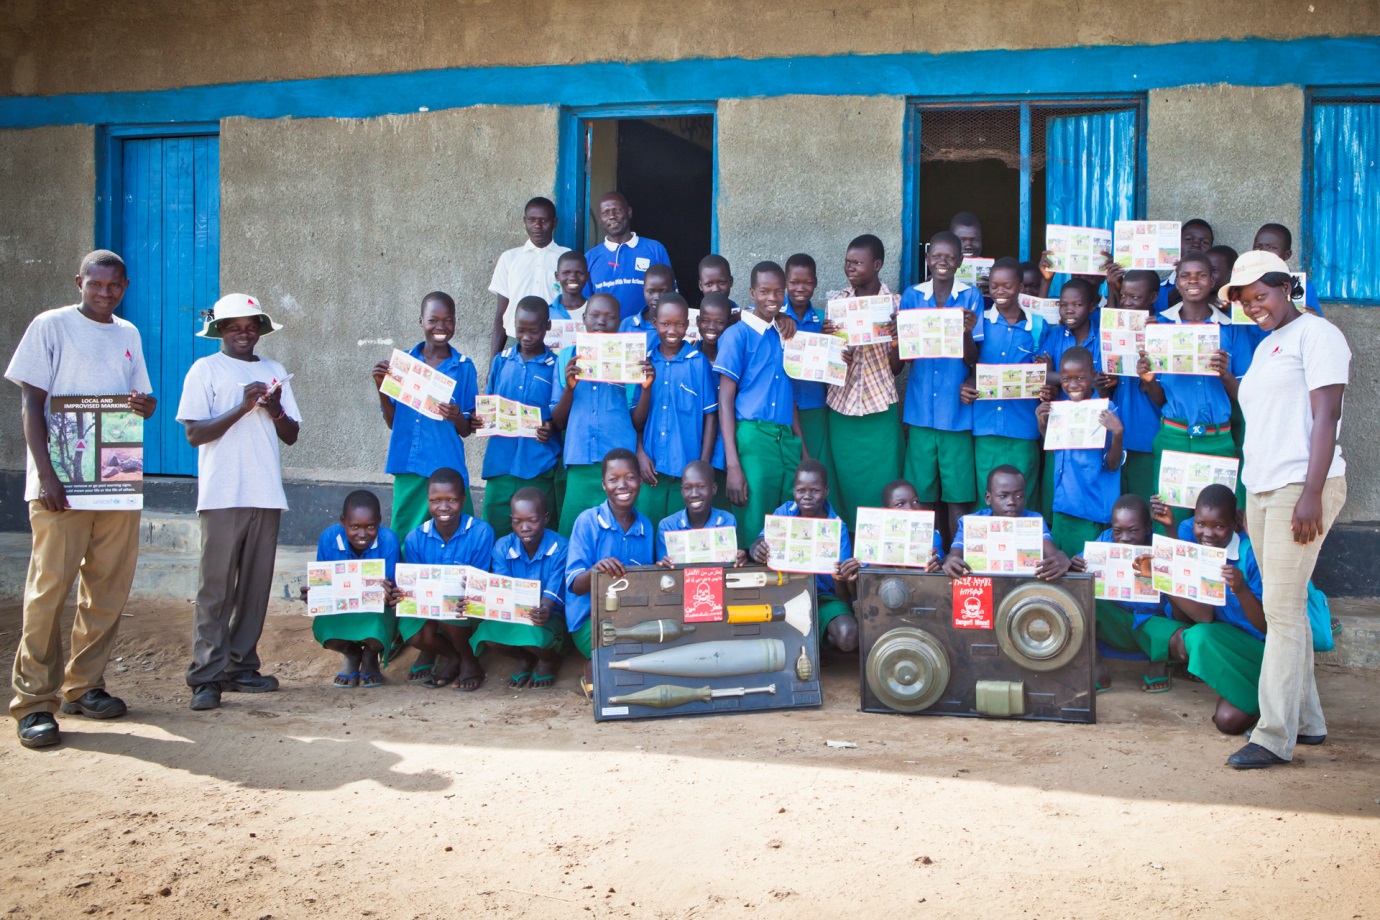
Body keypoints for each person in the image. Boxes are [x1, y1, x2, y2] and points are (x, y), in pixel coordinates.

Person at [5, 250, 157, 748]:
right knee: (48, 591)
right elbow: (32, 403)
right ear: (80, 282)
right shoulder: (50, 326)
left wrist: (146, 406)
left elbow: (139, 402)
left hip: (115, 484)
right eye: (96, 284)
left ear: (125, 286)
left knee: (107, 590)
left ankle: (83, 686)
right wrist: (46, 475)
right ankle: (34, 703)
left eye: (114, 286)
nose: (105, 293)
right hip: (61, 485)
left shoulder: (128, 335)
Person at [1224, 250, 1349, 769]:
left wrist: (1312, 492)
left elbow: (1327, 417)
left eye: (1262, 295)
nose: (1255, 307)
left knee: (1280, 611)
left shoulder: (1319, 336)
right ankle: (1310, 721)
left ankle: (1274, 735)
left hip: (1302, 486)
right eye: (1246, 300)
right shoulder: (1268, 346)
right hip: (1263, 489)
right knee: (1287, 608)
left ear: (1286, 289)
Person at [178, 293, 301, 712]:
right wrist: (242, 406)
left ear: (261, 329)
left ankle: (240, 665)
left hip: (265, 492)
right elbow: (195, 434)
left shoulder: (274, 370)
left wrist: (275, 408)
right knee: (215, 589)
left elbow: (291, 435)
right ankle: (206, 676)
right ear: (219, 331)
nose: (243, 333)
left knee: (253, 589)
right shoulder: (205, 370)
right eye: (234, 326)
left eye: (251, 325)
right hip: (222, 494)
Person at [1136, 251, 1245, 529]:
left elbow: (1243, 395)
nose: (1192, 281)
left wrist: (1225, 374)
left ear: (1212, 281)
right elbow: (1161, 398)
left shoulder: (1231, 328)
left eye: (1201, 275)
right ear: (1177, 282)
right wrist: (1148, 379)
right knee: (1168, 520)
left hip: (1217, 440)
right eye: (1185, 276)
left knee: (1218, 524)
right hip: (1173, 435)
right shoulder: (1159, 326)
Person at [1148, 487, 1264, 733]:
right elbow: (1198, 616)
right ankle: (1261, 699)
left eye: (1219, 527)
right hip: (1224, 642)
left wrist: (1241, 589)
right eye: (1201, 524)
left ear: (1235, 522)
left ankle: (1272, 697)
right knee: (1226, 721)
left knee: (1228, 720)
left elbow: (1265, 625)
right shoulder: (1188, 533)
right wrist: (1165, 572)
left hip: (1260, 648)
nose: (1208, 534)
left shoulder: (1250, 555)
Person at [370, 291, 478, 539]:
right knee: (405, 534)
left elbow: (466, 429)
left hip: (447, 464)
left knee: (458, 534)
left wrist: (456, 416)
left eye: (448, 320)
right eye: (433, 320)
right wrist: (381, 387)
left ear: (455, 322)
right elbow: (392, 422)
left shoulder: (463, 366)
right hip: (409, 464)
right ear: (421, 321)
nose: (440, 327)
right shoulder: (404, 364)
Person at [899, 231, 985, 541]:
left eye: (950, 257)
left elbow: (974, 357)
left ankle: (956, 556)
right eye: (936, 256)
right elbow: (907, 356)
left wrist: (964, 332)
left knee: (957, 497)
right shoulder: (912, 295)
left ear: (961, 261)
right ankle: (928, 558)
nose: (942, 262)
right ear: (927, 260)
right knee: (922, 496)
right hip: (921, 410)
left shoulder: (971, 296)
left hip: (956, 413)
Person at [714, 261, 804, 549]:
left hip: (785, 438)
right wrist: (733, 465)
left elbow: (789, 397)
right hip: (752, 437)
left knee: (788, 519)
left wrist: (802, 448)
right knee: (753, 523)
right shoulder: (737, 335)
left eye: (779, 291)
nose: (773, 298)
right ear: (751, 292)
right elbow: (725, 401)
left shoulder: (787, 333)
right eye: (764, 291)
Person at [550, 293, 651, 534]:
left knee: (619, 530)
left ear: (620, 322)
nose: (601, 322)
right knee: (574, 531)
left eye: (610, 317)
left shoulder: (630, 358)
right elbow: (558, 421)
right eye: (594, 315)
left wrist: (646, 389)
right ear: (584, 318)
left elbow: (637, 420)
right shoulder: (567, 357)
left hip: (620, 464)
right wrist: (570, 387)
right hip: (580, 460)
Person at [823, 235, 902, 534]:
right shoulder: (837, 304)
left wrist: (895, 336)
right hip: (842, 408)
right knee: (844, 482)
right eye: (847, 262)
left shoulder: (894, 303)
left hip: (880, 405)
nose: (850, 268)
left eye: (857, 262)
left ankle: (879, 545)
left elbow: (896, 368)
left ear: (877, 265)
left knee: (883, 480)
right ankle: (848, 549)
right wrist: (830, 342)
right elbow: (828, 366)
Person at [565, 448, 656, 695]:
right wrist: (596, 570)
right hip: (590, 620)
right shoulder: (587, 521)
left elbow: (646, 581)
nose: (622, 485)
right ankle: (592, 665)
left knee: (656, 640)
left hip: (632, 616)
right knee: (622, 644)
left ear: (640, 480)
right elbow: (574, 585)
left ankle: (605, 665)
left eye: (629, 477)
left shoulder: (645, 526)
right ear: (603, 485)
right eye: (613, 479)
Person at [750, 460, 862, 653]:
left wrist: (840, 577)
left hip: (824, 598)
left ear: (826, 491)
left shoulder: (837, 527)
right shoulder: (784, 513)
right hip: (785, 593)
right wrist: (757, 549)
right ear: (794, 491)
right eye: (801, 490)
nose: (807, 496)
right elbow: (757, 544)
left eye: (815, 490)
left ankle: (818, 644)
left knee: (848, 635)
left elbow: (843, 594)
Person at [399, 468, 495, 692]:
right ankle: (452, 657)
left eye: (451, 500)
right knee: (411, 630)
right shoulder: (415, 538)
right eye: (436, 500)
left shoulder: (481, 532)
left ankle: (470, 661)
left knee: (452, 610)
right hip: (430, 608)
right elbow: (415, 584)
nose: (443, 507)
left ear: (462, 500)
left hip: (466, 608)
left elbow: (479, 582)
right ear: (428, 501)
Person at [964, 258, 1048, 513]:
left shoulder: (1038, 326)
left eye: (1007, 286)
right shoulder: (981, 321)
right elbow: (971, 362)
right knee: (987, 497)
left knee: (1024, 498)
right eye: (994, 286)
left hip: (1023, 427)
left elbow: (1047, 370)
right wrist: (966, 334)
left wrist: (1045, 379)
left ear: (1021, 286)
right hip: (986, 427)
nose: (1000, 292)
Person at [478, 297, 561, 539]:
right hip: (500, 463)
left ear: (547, 326)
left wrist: (551, 427)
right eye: (520, 330)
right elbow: (489, 403)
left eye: (533, 331)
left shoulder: (554, 366)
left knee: (539, 534)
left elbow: (559, 415)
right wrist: (479, 418)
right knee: (494, 531)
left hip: (538, 464)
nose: (526, 336)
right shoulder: (501, 362)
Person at [470, 487, 568, 690]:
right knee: (488, 634)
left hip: (549, 617)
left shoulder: (561, 548)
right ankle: (525, 658)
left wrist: (545, 609)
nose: (524, 527)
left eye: (532, 520)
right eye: (517, 521)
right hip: (514, 615)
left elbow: (552, 594)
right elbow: (504, 589)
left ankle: (548, 659)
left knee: (537, 636)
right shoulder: (503, 547)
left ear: (546, 518)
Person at [632, 294, 717, 522]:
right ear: (655, 323)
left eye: (679, 324)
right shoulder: (645, 363)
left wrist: (704, 464)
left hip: (687, 471)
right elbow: (636, 421)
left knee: (681, 533)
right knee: (649, 530)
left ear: (688, 326)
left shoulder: (697, 362)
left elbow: (711, 416)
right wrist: (640, 453)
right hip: (651, 467)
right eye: (665, 324)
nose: (672, 330)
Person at [306, 490, 401, 689]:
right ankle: (351, 652)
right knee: (324, 627)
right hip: (342, 608)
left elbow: (393, 592)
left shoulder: (389, 540)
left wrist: (387, 591)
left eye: (371, 526)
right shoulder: (329, 538)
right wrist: (314, 594)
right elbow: (323, 582)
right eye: (354, 526)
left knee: (383, 622)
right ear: (343, 522)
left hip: (376, 610)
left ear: (380, 522)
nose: (362, 534)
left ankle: (370, 654)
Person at [1038, 347, 1124, 557]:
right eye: (1066, 379)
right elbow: (1056, 454)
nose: (1073, 385)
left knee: (1089, 572)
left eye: (1080, 378)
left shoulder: (1106, 410)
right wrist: (1042, 425)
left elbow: (1112, 465)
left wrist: (1118, 432)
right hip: (1064, 507)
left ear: (1093, 376)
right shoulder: (1060, 409)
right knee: (1064, 570)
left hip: (1092, 510)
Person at [942, 467, 1070, 581]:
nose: (1012, 502)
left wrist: (1059, 557)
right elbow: (955, 554)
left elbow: (1051, 551)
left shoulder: (1033, 521)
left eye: (1019, 496)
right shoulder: (971, 523)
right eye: (1003, 496)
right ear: (988, 498)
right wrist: (950, 560)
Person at [1105, 269, 1163, 499]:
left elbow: (1164, 396)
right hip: (1118, 431)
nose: (1127, 303)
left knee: (1143, 503)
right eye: (1124, 297)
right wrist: (1106, 382)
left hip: (1147, 433)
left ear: (1153, 298)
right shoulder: (1114, 330)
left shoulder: (1162, 329)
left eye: (1135, 298)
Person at [489, 197, 569, 358]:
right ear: (525, 221)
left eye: (544, 220)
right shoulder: (509, 258)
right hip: (516, 340)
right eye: (532, 220)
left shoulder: (566, 258)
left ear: (554, 222)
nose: (537, 226)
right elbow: (502, 312)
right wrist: (493, 358)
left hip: (556, 340)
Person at [584, 192, 672, 321]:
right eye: (606, 213)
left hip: (648, 332)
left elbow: (670, 295)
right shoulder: (590, 257)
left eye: (617, 210)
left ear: (629, 212)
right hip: (606, 336)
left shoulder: (654, 249)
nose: (612, 216)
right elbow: (586, 302)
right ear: (600, 220)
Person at [782, 254, 829, 461]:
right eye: (794, 282)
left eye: (807, 282)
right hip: (782, 406)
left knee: (815, 466)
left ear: (816, 283)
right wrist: (777, 316)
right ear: (785, 282)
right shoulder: (773, 316)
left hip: (814, 405)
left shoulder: (824, 321)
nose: (800, 288)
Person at [654, 460, 743, 565]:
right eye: (687, 488)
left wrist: (738, 557)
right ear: (682, 491)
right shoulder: (668, 526)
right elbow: (664, 569)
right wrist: (664, 564)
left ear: (713, 489)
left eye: (701, 487)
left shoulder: (726, 521)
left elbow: (729, 564)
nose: (694, 494)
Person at [1250, 222, 1322, 314]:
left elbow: (1317, 323)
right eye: (1257, 247)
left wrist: (1315, 319)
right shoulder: (1242, 283)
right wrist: (1227, 312)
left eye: (1271, 247)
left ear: (1287, 254)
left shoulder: (1305, 287)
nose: (1263, 253)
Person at [879, 479, 944, 571]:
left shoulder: (931, 536)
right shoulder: (876, 539)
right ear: (884, 511)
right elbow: (867, 572)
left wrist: (934, 561)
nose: (910, 509)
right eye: (900, 504)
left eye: (915, 501)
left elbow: (936, 560)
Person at [1155, 218, 1214, 312]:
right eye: (1189, 239)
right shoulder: (1157, 289)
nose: (1196, 245)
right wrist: (1169, 306)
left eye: (1205, 242)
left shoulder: (1215, 289)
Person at [618, 262, 677, 349]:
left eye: (663, 292)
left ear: (673, 290)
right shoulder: (628, 324)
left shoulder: (681, 326)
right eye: (651, 292)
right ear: (644, 290)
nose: (656, 297)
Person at [550, 250, 590, 324]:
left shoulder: (597, 309)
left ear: (587, 276)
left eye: (579, 273)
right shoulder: (547, 313)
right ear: (557, 276)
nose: (573, 277)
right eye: (566, 273)